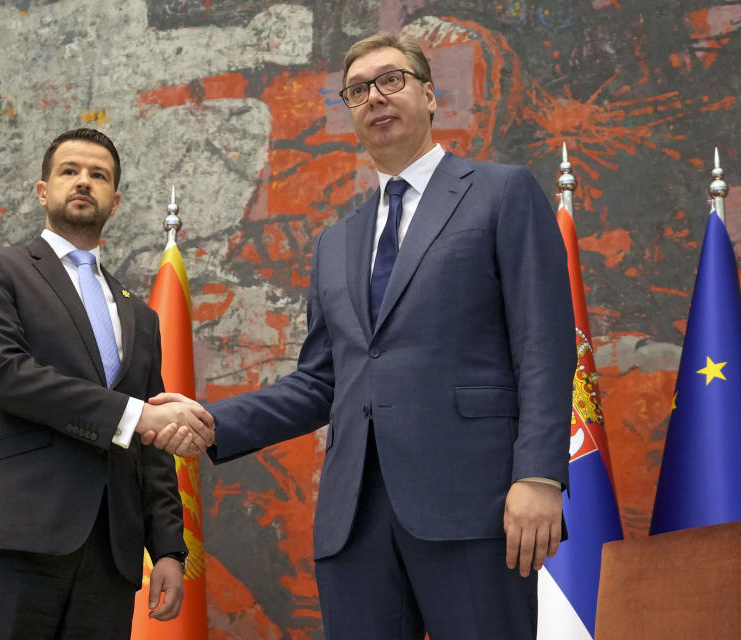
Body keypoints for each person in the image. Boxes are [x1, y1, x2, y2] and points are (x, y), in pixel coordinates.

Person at [147, 32, 575, 639]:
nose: (375, 96)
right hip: (355, 522)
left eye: (391, 80)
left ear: (430, 95)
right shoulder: (336, 242)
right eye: (357, 90)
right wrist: (215, 422)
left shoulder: (502, 192)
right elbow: (323, 381)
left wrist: (538, 475)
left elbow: (544, 343)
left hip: (476, 505)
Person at [0, 127, 215, 640]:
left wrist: (168, 549)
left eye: (99, 175)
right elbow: (5, 375)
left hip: (109, 559)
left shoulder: (141, 316)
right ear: (43, 190)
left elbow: (153, 445)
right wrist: (136, 416)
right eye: (69, 171)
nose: (84, 182)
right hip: (13, 538)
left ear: (115, 201)